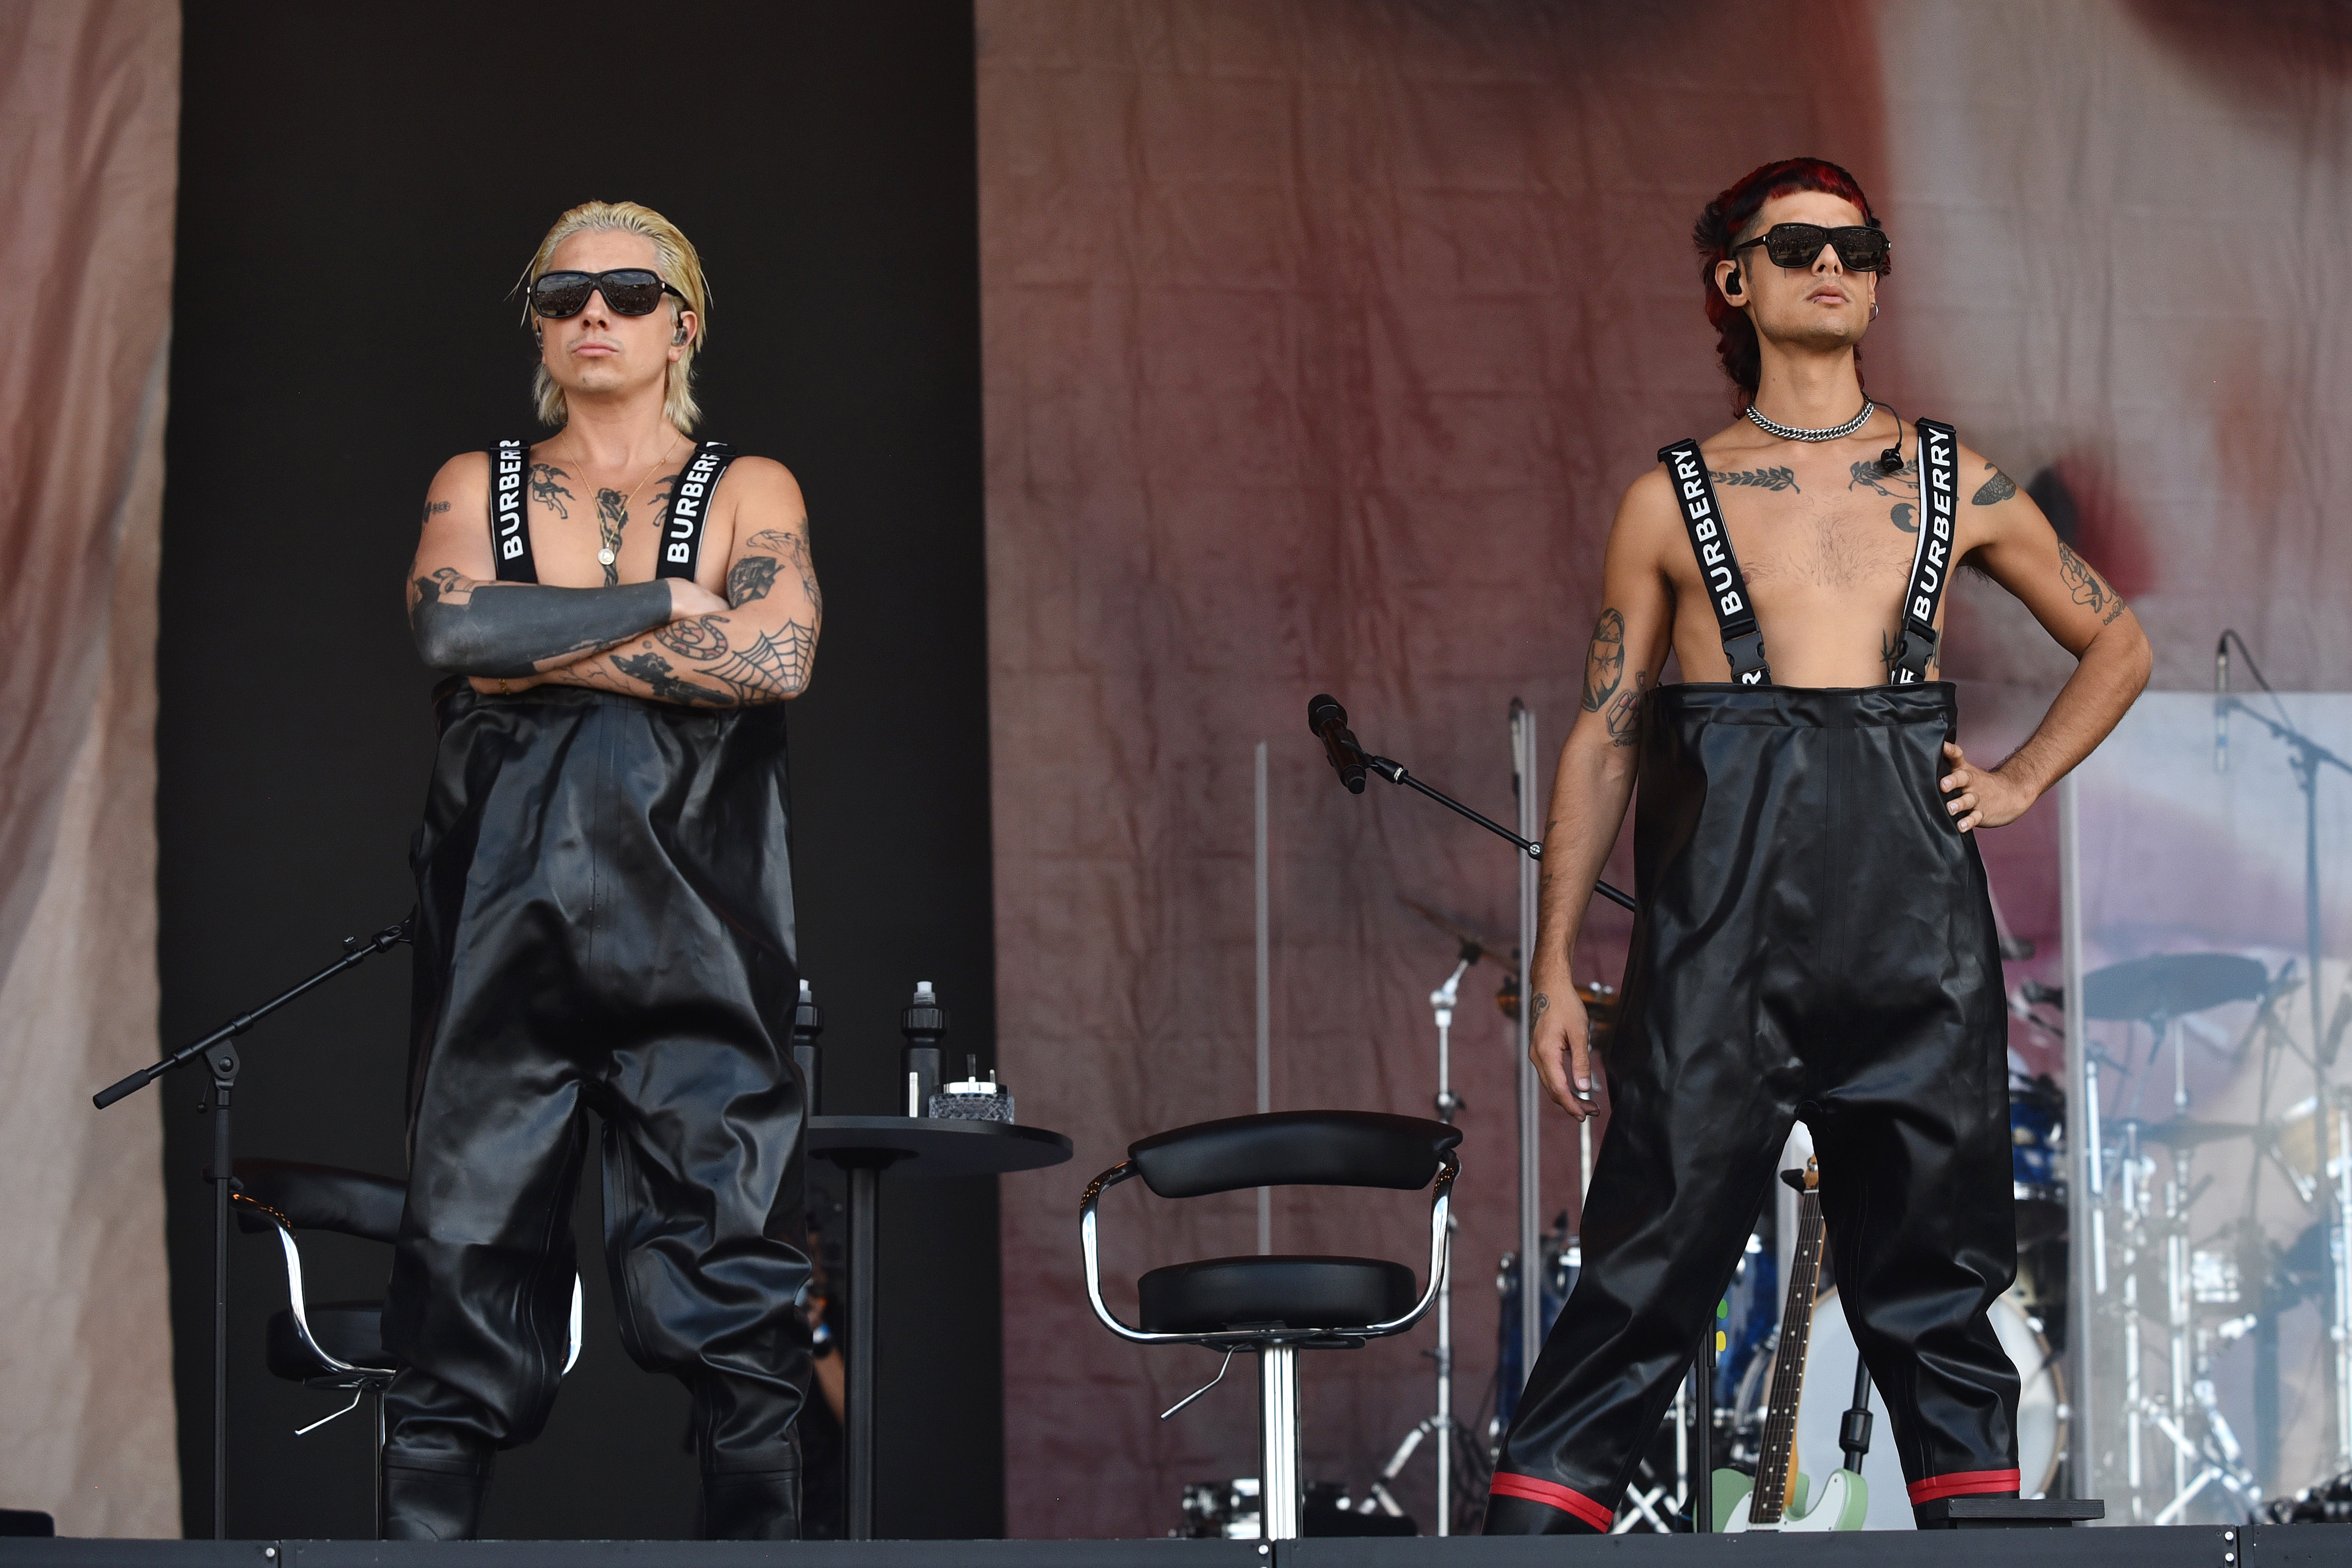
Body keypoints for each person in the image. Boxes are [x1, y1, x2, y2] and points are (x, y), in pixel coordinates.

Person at [1485, 158, 2150, 1534]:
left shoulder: (1950, 477)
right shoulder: (1668, 499)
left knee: (1941, 1303)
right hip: (1717, 944)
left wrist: (2022, 778)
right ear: (1734, 278)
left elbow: (2116, 640)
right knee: (1635, 1284)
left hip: (1916, 947)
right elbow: (1606, 730)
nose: (1831, 265)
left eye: (1858, 245)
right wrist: (1552, 962)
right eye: (1795, 247)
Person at [381, 200, 823, 1540]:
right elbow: (449, 634)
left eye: (630, 292)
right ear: (535, 318)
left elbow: (778, 658)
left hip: (699, 922)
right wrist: (656, 603)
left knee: (734, 1276)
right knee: (459, 1255)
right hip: (501, 919)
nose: (594, 313)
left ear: (682, 321)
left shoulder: (753, 487)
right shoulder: (477, 479)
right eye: (564, 292)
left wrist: (537, 640)